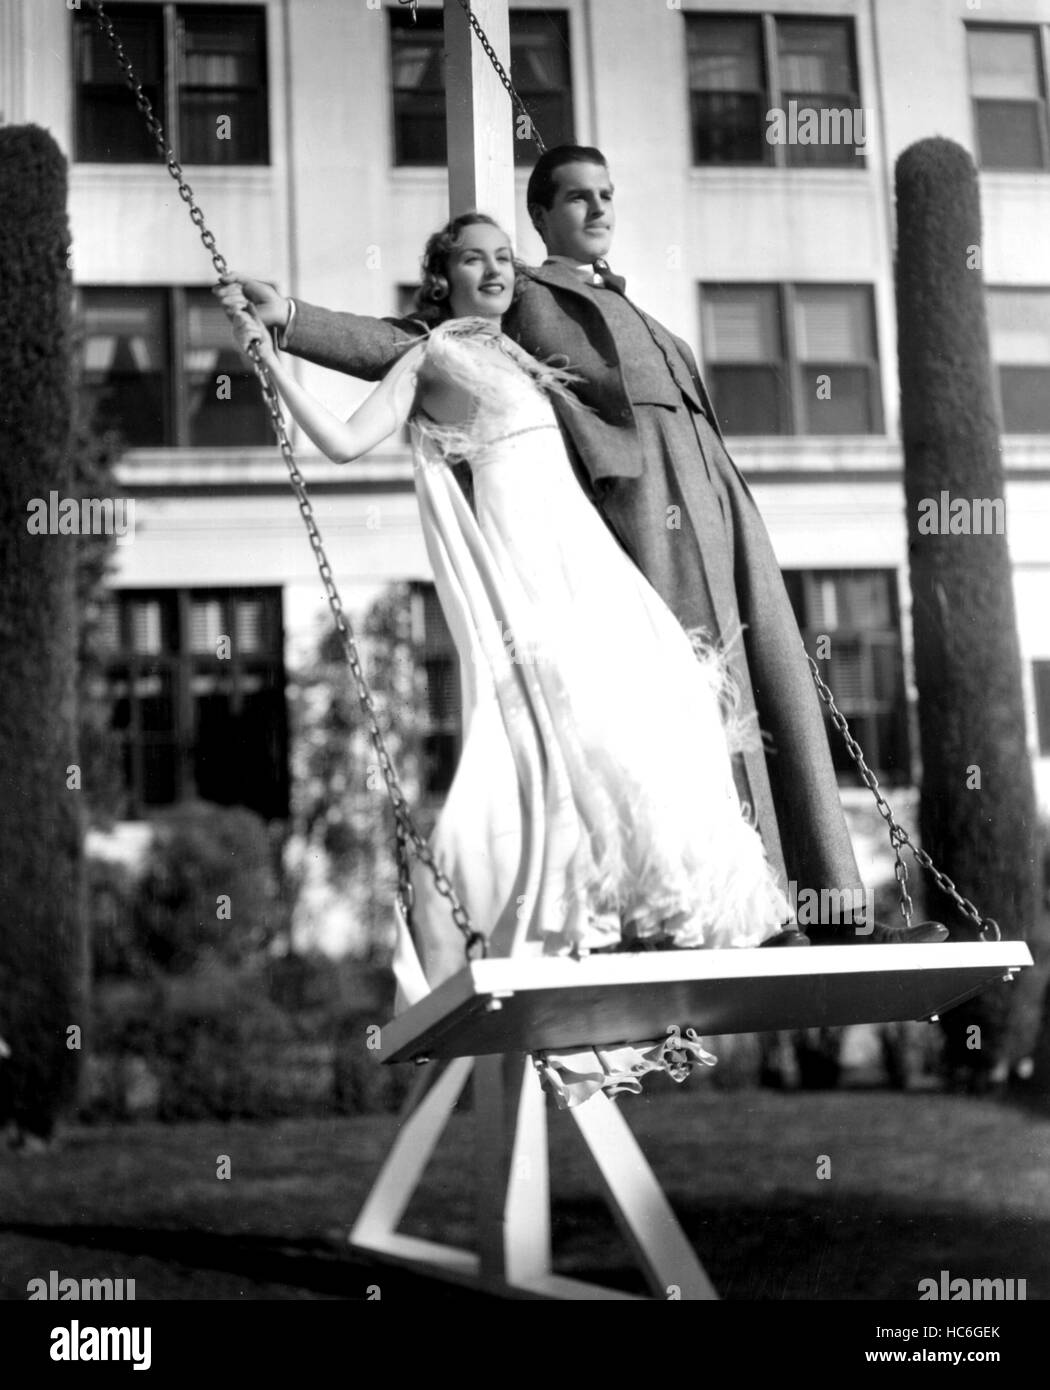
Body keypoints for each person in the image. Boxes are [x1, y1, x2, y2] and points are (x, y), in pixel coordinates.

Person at [218, 146, 945, 949]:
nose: (598, 211)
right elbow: (406, 347)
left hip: (720, 509)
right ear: (541, 217)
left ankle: (835, 916)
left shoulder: (639, 309)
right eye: (576, 198)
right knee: (681, 720)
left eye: (607, 195)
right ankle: (748, 922)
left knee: (782, 700)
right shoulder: (520, 293)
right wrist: (290, 320)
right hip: (636, 522)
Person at [220, 213, 805, 1105]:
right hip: (531, 570)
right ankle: (582, 973)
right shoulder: (430, 356)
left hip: (590, 563)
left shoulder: (523, 357)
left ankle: (670, 959)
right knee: (567, 748)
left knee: (658, 718)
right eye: (473, 258)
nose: (496, 270)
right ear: (440, 277)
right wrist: (273, 354)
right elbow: (341, 442)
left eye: (504, 257)